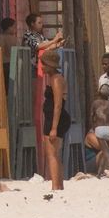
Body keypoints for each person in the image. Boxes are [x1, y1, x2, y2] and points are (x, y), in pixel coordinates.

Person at [40, 51, 69, 191]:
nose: (42, 67)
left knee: (51, 154)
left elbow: (58, 104)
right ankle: (59, 185)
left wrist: (54, 127)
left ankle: (55, 186)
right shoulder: (54, 78)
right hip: (53, 118)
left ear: (51, 65)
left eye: (44, 64)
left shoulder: (56, 79)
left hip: (55, 119)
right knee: (55, 154)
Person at [88, 84, 109, 177]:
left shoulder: (95, 103)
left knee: (106, 152)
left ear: (99, 93)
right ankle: (100, 172)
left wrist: (93, 127)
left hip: (99, 128)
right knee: (105, 151)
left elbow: (91, 117)